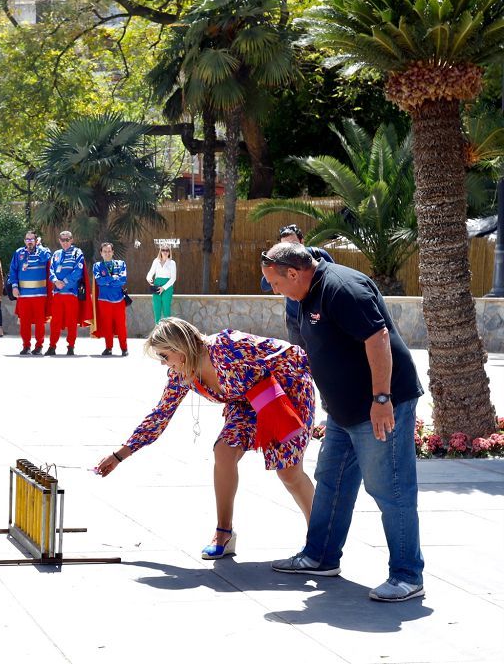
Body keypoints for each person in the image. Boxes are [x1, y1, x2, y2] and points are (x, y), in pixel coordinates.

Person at [262, 242, 426, 602]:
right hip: (343, 412)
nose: (273, 290)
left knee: (391, 489)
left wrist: (382, 399)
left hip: (380, 406)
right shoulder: (305, 295)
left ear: (293, 273)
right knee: (331, 482)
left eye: (274, 283)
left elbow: (378, 337)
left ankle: (407, 574)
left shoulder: (342, 288)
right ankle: (320, 556)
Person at [95, 318, 317, 560]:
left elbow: (294, 353)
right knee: (224, 450)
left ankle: (319, 540)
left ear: (179, 349)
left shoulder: (228, 346)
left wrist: (317, 405)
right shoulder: (181, 374)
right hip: (244, 403)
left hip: (284, 394)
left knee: (288, 472)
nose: (163, 364)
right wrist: (119, 456)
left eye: (164, 356)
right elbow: (160, 416)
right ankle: (224, 533)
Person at [261, 224, 333, 348]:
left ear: (302, 242)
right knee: (298, 358)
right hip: (294, 319)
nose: (290, 249)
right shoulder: (278, 265)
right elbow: (264, 285)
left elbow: (333, 279)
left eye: (293, 243)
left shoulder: (318, 255)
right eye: (285, 246)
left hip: (318, 317)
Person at [8, 230, 53, 354]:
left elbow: (47, 258)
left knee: (40, 322)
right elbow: (13, 271)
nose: (29, 242)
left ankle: (39, 346)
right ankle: (26, 345)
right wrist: (14, 287)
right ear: (24, 241)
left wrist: (39, 247)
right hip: (23, 294)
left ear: (36, 240)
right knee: (24, 322)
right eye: (27, 239)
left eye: (31, 239)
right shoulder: (19, 253)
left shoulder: (43, 252)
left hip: (40, 294)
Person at [47, 230, 86, 356]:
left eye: (67, 239)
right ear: (59, 240)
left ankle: (71, 346)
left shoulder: (77, 253)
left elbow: (78, 271)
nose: (65, 242)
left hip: (71, 293)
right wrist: (55, 280)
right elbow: (51, 270)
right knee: (55, 322)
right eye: (62, 240)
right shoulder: (56, 254)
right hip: (57, 294)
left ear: (72, 240)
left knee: (71, 321)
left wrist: (63, 281)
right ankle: (52, 346)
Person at [92, 242, 129, 356]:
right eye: (105, 251)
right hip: (104, 300)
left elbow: (123, 280)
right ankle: (108, 348)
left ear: (113, 252)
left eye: (109, 251)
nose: (107, 254)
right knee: (107, 325)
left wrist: (107, 281)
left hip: (119, 300)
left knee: (121, 325)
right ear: (101, 253)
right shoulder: (97, 266)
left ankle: (124, 348)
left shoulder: (121, 264)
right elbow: (99, 281)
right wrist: (113, 278)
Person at [146, 245, 177, 323]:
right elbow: (150, 273)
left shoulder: (172, 263)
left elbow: (173, 278)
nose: (165, 252)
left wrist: (163, 288)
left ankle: (167, 333)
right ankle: (158, 332)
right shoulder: (156, 261)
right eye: (163, 250)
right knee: (157, 310)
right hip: (156, 286)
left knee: (166, 310)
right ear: (160, 251)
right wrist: (149, 279)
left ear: (169, 252)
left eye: (167, 250)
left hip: (167, 288)